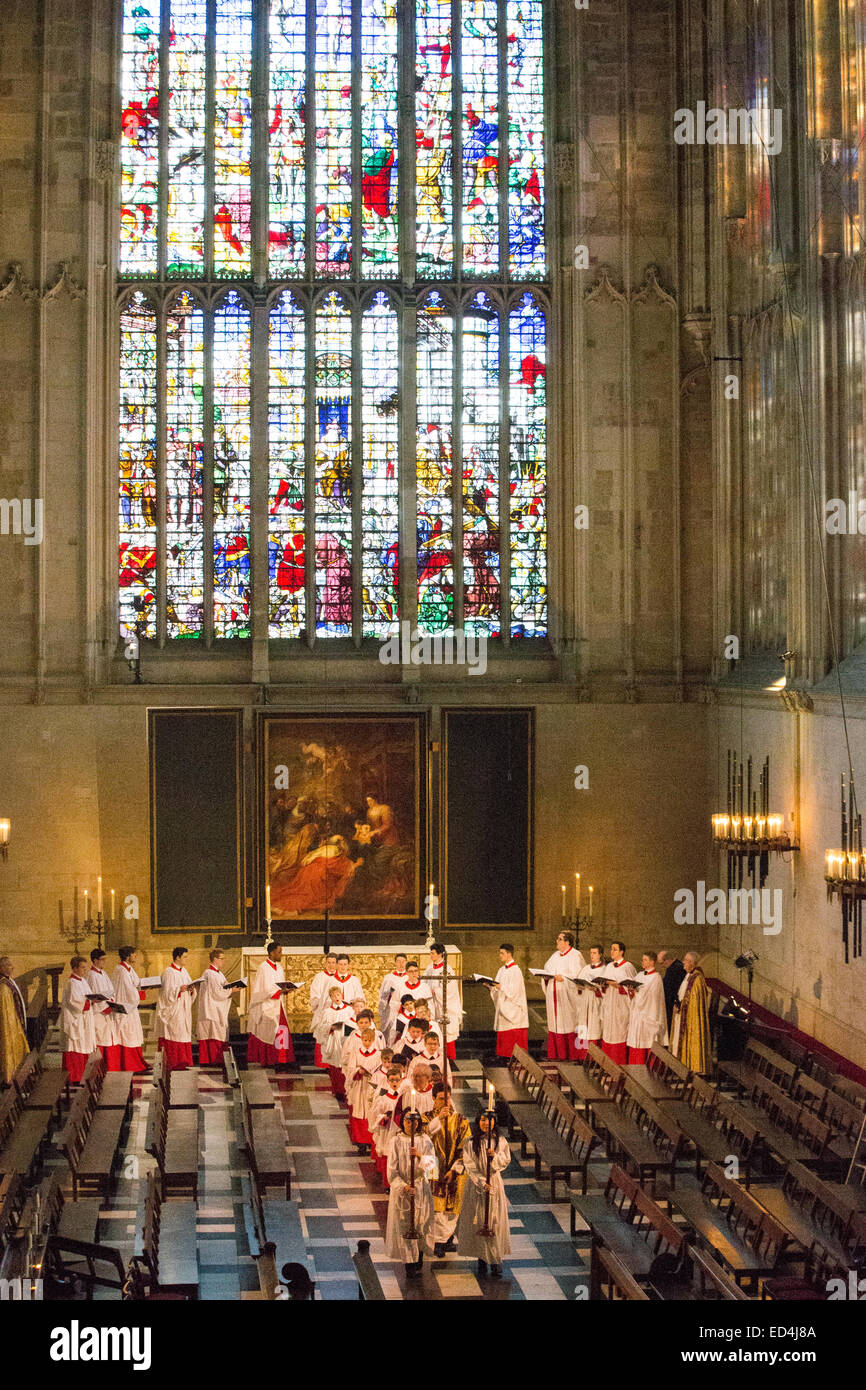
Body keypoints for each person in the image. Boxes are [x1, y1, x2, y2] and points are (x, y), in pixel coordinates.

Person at [457, 1111, 511, 1277]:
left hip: (493, 1183)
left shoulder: (500, 1141)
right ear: (478, 1121)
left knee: (494, 1221)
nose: (486, 1123)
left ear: (495, 1121)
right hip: (476, 1185)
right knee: (479, 1220)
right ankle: (481, 1259)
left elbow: (505, 1160)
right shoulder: (471, 1142)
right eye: (482, 1119)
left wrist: (494, 1158)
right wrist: (481, 1182)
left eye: (489, 1120)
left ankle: (495, 1260)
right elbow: (469, 1164)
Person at [385, 1110, 436, 1278]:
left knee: (421, 1223)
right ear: (403, 1121)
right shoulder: (396, 1141)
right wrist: (403, 1186)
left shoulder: (425, 1140)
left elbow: (432, 1170)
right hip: (404, 1190)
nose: (411, 1124)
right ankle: (409, 1265)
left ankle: (419, 1257)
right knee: (405, 1224)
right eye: (408, 1120)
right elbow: (392, 1169)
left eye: (415, 1121)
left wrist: (419, 1156)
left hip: (420, 1187)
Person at [427, 1081, 471, 1258]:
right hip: (432, 1165)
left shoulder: (461, 1120)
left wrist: (455, 1169)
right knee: (436, 1207)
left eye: (447, 1098)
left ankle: (447, 1239)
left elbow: (466, 1146)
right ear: (433, 1099)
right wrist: (439, 1120)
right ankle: (437, 1241)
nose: (444, 1102)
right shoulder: (426, 1118)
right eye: (440, 1099)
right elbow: (423, 1136)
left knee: (451, 1208)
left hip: (453, 1168)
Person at [247, 942, 297, 1067]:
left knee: (282, 1030)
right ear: (271, 953)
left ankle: (282, 1059)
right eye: (279, 951)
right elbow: (260, 989)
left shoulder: (279, 968)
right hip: (267, 1005)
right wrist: (278, 991)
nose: (281, 954)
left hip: (278, 1004)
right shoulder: (263, 967)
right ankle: (270, 1059)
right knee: (270, 1031)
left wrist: (285, 990)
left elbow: (280, 985)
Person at [541, 931, 586, 1060]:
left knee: (568, 1024)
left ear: (567, 942)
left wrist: (564, 979)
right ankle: (556, 1054)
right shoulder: (554, 956)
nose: (557, 941)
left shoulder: (576, 955)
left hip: (567, 998)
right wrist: (545, 977)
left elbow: (578, 977)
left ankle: (571, 1055)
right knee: (555, 1024)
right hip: (554, 994)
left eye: (559, 939)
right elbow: (547, 970)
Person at [197, 948, 242, 1065]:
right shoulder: (209, 974)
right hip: (211, 1009)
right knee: (213, 1035)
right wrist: (231, 990)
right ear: (215, 959)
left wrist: (232, 987)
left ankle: (217, 1059)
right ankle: (212, 1060)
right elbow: (217, 993)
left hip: (216, 1008)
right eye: (222, 959)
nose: (223, 961)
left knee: (217, 1034)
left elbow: (223, 987)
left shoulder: (218, 973)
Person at [156, 946, 197, 1071]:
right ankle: (174, 1062)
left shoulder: (183, 971)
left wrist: (191, 989)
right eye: (184, 957)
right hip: (174, 1008)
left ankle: (183, 1061)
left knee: (182, 1033)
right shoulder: (169, 972)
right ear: (177, 957)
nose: (186, 959)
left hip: (183, 1007)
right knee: (175, 1033)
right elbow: (166, 993)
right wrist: (179, 989)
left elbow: (189, 986)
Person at [671, 951, 712, 1074]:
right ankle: (680, 1068)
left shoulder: (697, 979)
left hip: (690, 1018)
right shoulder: (688, 975)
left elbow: (695, 1002)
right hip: (681, 1014)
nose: (683, 962)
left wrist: (680, 1006)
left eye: (686, 960)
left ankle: (690, 1068)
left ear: (692, 963)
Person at [485, 944, 528, 1058]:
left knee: (512, 1036)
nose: (500, 956)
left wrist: (500, 986)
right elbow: (498, 987)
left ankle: (513, 1058)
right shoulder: (501, 970)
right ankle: (503, 1056)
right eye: (500, 953)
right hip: (503, 1006)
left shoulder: (516, 971)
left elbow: (514, 991)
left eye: (502, 953)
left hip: (512, 1009)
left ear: (509, 954)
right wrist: (490, 986)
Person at [343, 1025, 381, 1152]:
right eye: (365, 1040)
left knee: (370, 1111)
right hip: (359, 1084)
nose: (367, 1043)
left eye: (369, 1040)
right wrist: (358, 1071)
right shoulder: (355, 1052)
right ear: (361, 1040)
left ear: (373, 1040)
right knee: (359, 1111)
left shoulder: (378, 1054)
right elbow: (350, 1069)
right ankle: (360, 1142)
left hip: (372, 1085)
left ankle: (370, 1140)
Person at [315, 983, 357, 1098]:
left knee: (346, 1064)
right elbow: (321, 1027)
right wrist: (330, 1027)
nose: (337, 997)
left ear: (341, 995)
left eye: (338, 994)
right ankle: (337, 1090)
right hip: (334, 1039)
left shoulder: (349, 1010)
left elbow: (354, 1023)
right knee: (335, 1066)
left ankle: (347, 1089)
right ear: (331, 998)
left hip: (346, 1039)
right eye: (334, 996)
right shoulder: (327, 1011)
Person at [626, 951, 669, 1063]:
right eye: (642, 959)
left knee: (647, 1041)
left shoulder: (656, 978)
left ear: (652, 962)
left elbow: (652, 998)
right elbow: (634, 994)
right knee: (636, 1041)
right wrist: (631, 990)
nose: (642, 962)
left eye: (645, 960)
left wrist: (637, 993)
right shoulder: (639, 975)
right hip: (637, 1014)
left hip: (648, 1015)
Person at [111, 946, 148, 1072]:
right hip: (125, 1007)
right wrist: (139, 993)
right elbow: (129, 991)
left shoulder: (128, 968)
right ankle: (131, 1064)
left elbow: (136, 982)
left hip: (130, 1008)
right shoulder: (121, 970)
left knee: (133, 1035)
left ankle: (138, 1061)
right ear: (128, 956)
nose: (135, 956)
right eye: (134, 954)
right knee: (128, 1036)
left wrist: (145, 986)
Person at [598, 941, 636, 1064]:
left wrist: (617, 985)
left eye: (615, 949)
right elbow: (604, 986)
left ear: (621, 952)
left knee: (619, 1032)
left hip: (621, 1005)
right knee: (608, 1032)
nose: (611, 951)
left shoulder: (628, 966)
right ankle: (607, 1062)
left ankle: (619, 1061)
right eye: (611, 949)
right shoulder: (609, 966)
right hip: (609, 1003)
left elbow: (631, 987)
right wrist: (603, 984)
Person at [60, 956, 96, 1083]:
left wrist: (93, 999)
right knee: (75, 1047)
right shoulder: (72, 983)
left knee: (84, 1046)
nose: (85, 971)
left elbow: (88, 996)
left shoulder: (82, 980)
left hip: (84, 1019)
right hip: (75, 1020)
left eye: (86, 968)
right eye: (82, 968)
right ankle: (74, 1076)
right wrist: (89, 1002)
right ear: (74, 968)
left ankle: (84, 1074)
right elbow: (74, 1002)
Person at [424, 943, 463, 1060]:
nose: (430, 955)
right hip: (433, 1004)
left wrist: (435, 991)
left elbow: (450, 991)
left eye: (433, 953)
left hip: (445, 1006)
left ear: (440, 954)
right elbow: (425, 982)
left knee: (447, 1033)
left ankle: (449, 1058)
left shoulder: (447, 969)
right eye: (430, 953)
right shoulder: (430, 967)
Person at [86, 948, 121, 1072]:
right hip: (99, 1013)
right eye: (102, 960)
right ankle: (100, 1070)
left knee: (109, 1038)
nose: (104, 962)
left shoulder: (103, 973)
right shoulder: (92, 975)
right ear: (95, 960)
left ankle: (112, 1067)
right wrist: (104, 1007)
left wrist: (112, 1003)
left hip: (107, 1010)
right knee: (101, 1038)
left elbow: (111, 990)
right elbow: (94, 995)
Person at [371, 1065, 403, 1184]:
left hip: (400, 1131)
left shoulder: (403, 1097)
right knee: (387, 1156)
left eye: (397, 1080)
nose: (395, 1082)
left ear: (401, 1080)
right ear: (387, 1081)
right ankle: (387, 1183)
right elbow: (375, 1115)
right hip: (387, 1130)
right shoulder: (383, 1098)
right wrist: (384, 1117)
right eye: (392, 1080)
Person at [0, 956, 28, 1084]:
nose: (12, 967)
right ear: (3, 968)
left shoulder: (8, 981)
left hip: (15, 1022)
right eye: (10, 965)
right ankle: (10, 1076)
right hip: (10, 1025)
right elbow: (6, 1012)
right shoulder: (4, 987)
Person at [575, 944, 606, 1060]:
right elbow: (579, 985)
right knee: (583, 1026)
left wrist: (597, 989)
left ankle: (593, 1058)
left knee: (594, 1028)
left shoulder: (604, 970)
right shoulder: (586, 968)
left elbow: (605, 988)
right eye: (591, 953)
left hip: (595, 1001)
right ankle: (582, 1056)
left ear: (600, 955)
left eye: (594, 953)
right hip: (585, 1000)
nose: (591, 955)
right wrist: (579, 985)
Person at [309, 952, 339, 1067]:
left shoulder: (340, 978)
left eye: (333, 963)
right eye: (329, 962)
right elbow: (314, 996)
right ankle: (323, 1064)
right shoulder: (319, 977)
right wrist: (323, 1002)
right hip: (324, 1011)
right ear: (325, 963)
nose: (331, 965)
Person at [378, 953, 408, 1038]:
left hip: (405, 1008)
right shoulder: (389, 977)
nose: (401, 964)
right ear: (395, 963)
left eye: (403, 961)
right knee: (390, 1033)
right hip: (392, 1008)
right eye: (398, 961)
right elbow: (382, 995)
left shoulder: (409, 976)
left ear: (406, 962)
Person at [658, 949, 687, 1032]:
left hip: (674, 1003)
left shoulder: (674, 968)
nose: (661, 966)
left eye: (661, 963)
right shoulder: (675, 966)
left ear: (667, 960)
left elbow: (670, 988)